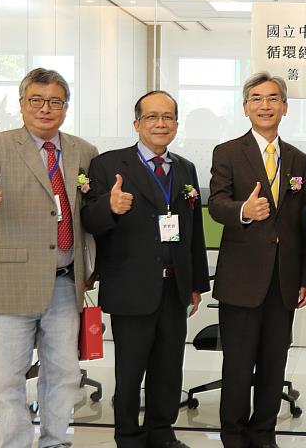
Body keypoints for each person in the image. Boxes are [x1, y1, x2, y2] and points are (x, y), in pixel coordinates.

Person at [0, 67, 99, 448]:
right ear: (22, 104)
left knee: (63, 373)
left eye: (55, 102)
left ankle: (55, 441)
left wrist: (93, 266)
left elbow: (92, 212)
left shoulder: (84, 151)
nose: (45, 109)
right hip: (12, 282)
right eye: (36, 100)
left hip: (65, 282)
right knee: (8, 378)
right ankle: (16, 442)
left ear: (66, 107)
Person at [80, 90, 210, 448]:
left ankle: (161, 432)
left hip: (174, 286)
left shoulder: (184, 168)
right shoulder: (108, 165)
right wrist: (110, 207)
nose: (160, 124)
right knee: (131, 369)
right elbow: (89, 220)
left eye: (167, 117)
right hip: (130, 287)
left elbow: (193, 230)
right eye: (152, 117)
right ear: (137, 124)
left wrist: (195, 283)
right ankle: (128, 435)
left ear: (176, 124)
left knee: (169, 367)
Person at [208, 72, 306, 448]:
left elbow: (301, 223)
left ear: (284, 107)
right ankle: (234, 435)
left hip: (283, 281)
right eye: (256, 98)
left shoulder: (299, 160)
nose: (264, 105)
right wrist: (244, 210)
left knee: (273, 363)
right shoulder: (227, 152)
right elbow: (216, 204)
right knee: (238, 365)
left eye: (272, 99)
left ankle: (264, 433)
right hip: (241, 280)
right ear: (245, 107)